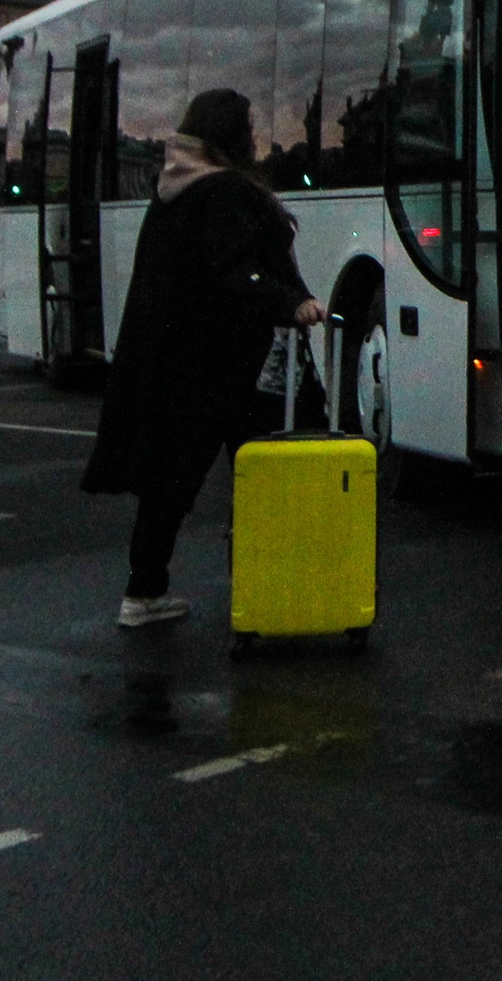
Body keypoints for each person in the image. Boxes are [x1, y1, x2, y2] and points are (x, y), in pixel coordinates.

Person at [83, 89, 325, 628]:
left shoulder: (172, 190)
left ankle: (144, 591)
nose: (256, 136)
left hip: (175, 359)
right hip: (230, 361)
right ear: (231, 137)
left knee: (171, 479)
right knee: (265, 467)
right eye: (248, 127)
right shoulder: (225, 192)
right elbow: (236, 270)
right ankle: (266, 583)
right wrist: (292, 303)